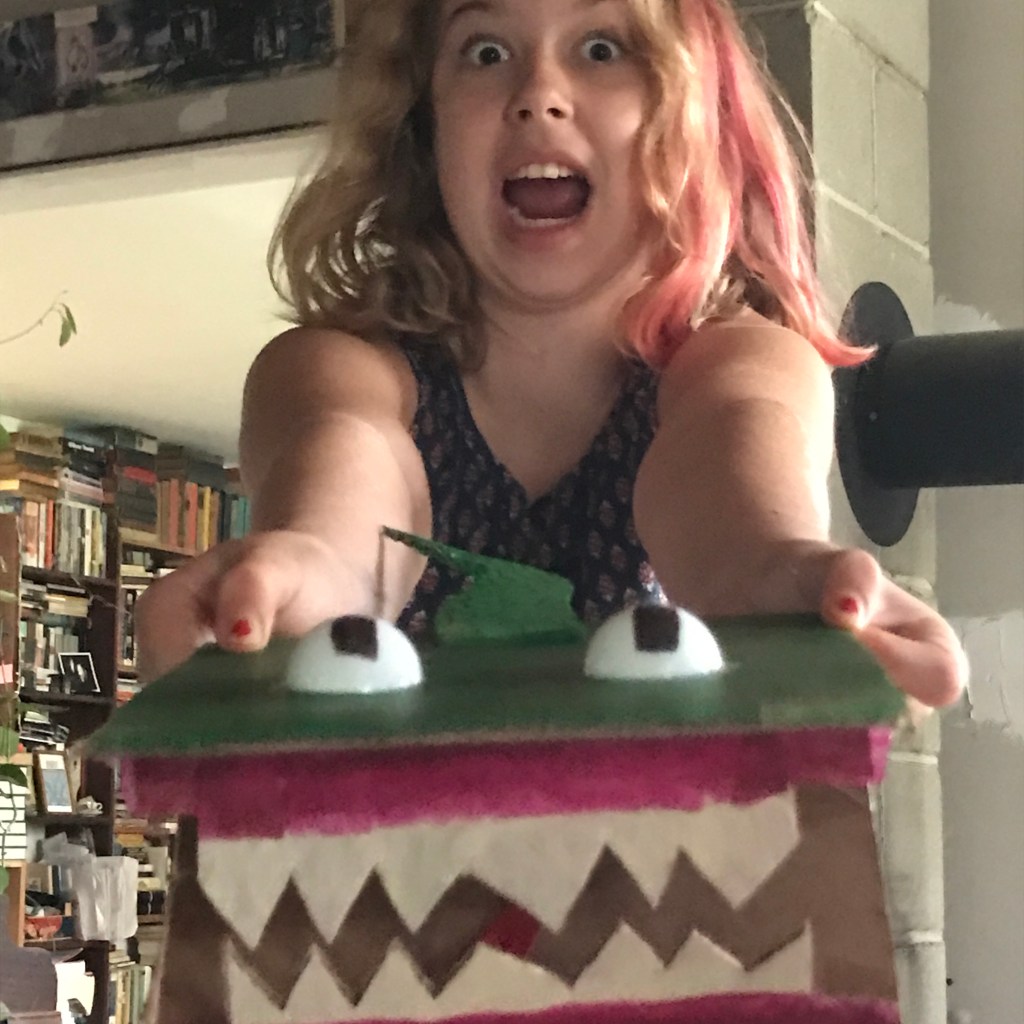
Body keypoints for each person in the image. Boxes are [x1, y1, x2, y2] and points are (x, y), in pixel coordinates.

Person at [135, 0, 966, 709]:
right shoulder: (334, 367)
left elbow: (728, 496)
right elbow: (349, 474)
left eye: (601, 48)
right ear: (423, 125)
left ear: (691, 114)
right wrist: (309, 572)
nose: (538, 94)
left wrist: (775, 574)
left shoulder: (742, 363)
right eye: (485, 52)